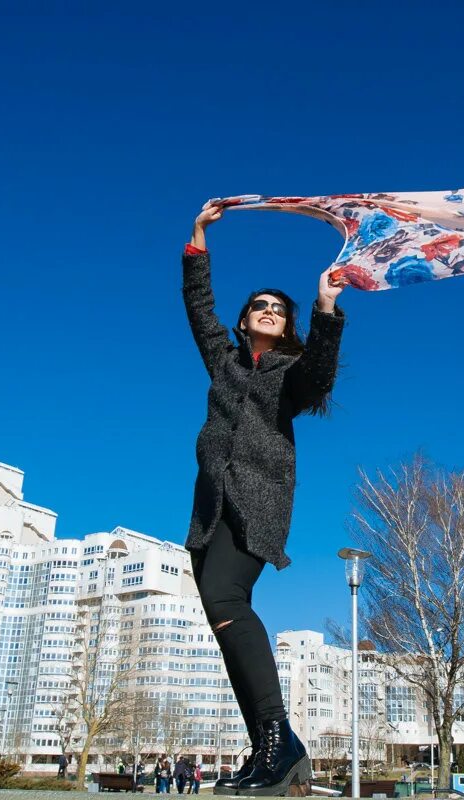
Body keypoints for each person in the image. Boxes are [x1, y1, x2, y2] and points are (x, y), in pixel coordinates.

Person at [182, 202, 345, 796]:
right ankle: (268, 752)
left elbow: (321, 377)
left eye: (280, 309)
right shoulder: (224, 362)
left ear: (286, 325)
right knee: (222, 619)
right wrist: (199, 236)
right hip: (209, 509)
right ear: (246, 319)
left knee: (225, 596)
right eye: (260, 306)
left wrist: (326, 309)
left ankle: (279, 738)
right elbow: (199, 309)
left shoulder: (289, 373)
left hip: (258, 504)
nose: (269, 313)